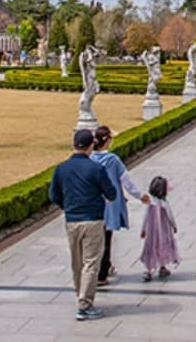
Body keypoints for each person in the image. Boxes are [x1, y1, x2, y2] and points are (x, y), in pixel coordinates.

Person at [47, 128, 117, 321]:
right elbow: (111, 193)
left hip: (72, 220)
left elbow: (53, 195)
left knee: (77, 262)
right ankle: (85, 305)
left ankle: (81, 296)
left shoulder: (61, 168)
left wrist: (67, 206)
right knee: (91, 262)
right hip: (93, 219)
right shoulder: (96, 168)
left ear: (74, 145)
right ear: (91, 146)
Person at [88, 126, 150, 284]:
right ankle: (102, 273)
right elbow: (126, 181)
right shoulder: (113, 160)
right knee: (106, 238)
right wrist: (140, 195)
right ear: (107, 141)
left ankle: (104, 266)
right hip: (110, 203)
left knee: (95, 238)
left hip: (92, 203)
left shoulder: (89, 159)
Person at [139, 176, 179, 281]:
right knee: (162, 247)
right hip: (164, 230)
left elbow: (146, 217)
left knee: (152, 247)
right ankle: (162, 267)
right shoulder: (165, 203)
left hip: (152, 232)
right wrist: (174, 226)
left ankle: (149, 270)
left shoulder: (150, 203)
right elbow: (170, 216)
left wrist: (143, 229)